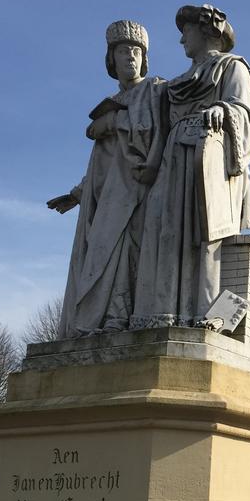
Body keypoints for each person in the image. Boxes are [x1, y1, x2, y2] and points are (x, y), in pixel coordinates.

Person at [131, 4, 250, 329]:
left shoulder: (233, 68)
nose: (181, 40)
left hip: (209, 164)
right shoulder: (174, 84)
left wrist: (223, 112)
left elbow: (246, 116)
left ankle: (209, 314)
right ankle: (162, 315)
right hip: (173, 164)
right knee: (166, 234)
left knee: (205, 238)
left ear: (205, 31)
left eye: (185, 31)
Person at [48, 20, 166, 339]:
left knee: (128, 253)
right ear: (111, 60)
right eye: (122, 51)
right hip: (107, 195)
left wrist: (116, 121)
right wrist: (76, 195)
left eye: (136, 51)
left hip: (140, 189)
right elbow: (101, 165)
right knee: (102, 257)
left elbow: (153, 134)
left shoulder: (155, 90)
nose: (130, 57)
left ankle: (121, 317)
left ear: (144, 58)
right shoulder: (109, 105)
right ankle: (102, 320)